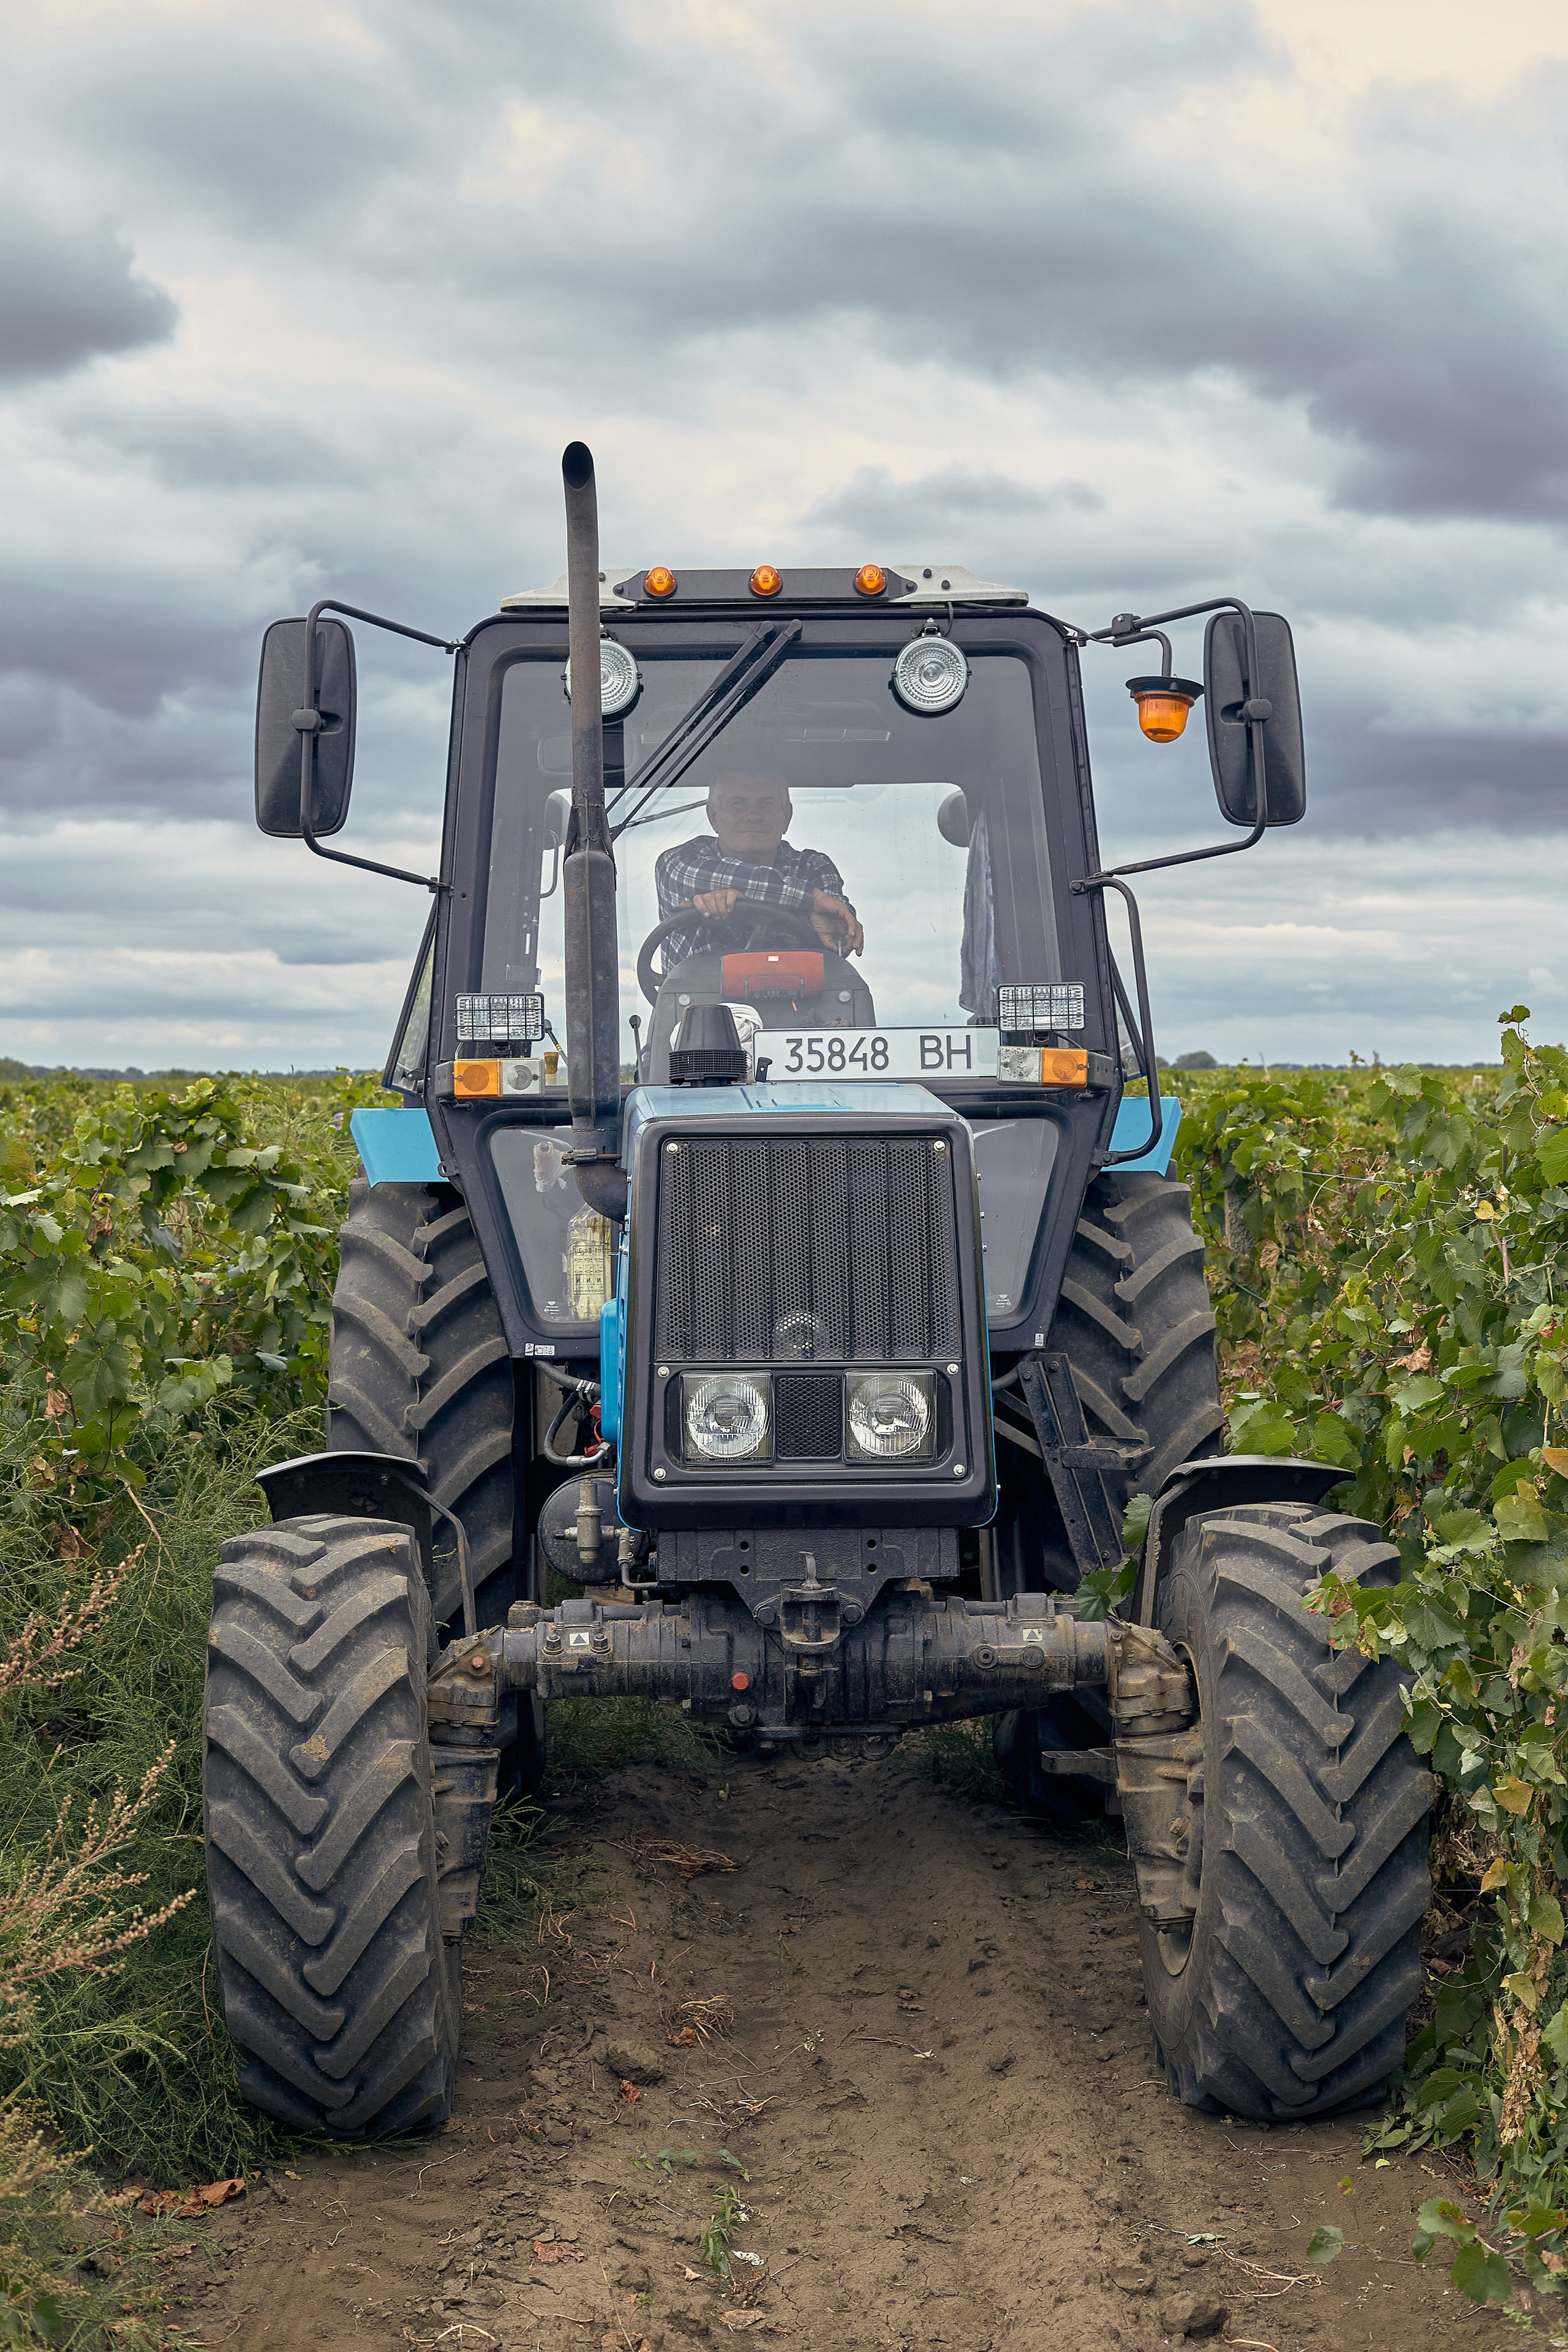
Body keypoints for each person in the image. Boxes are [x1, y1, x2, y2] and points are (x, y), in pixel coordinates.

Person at [654, 771, 864, 973]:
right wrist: (809, 899)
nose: (753, 815)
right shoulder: (678, 863)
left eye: (767, 804)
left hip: (798, 997)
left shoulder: (814, 867)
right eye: (738, 804)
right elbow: (686, 875)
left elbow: (841, 935)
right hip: (696, 998)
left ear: (786, 817)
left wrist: (743, 911)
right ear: (714, 816)